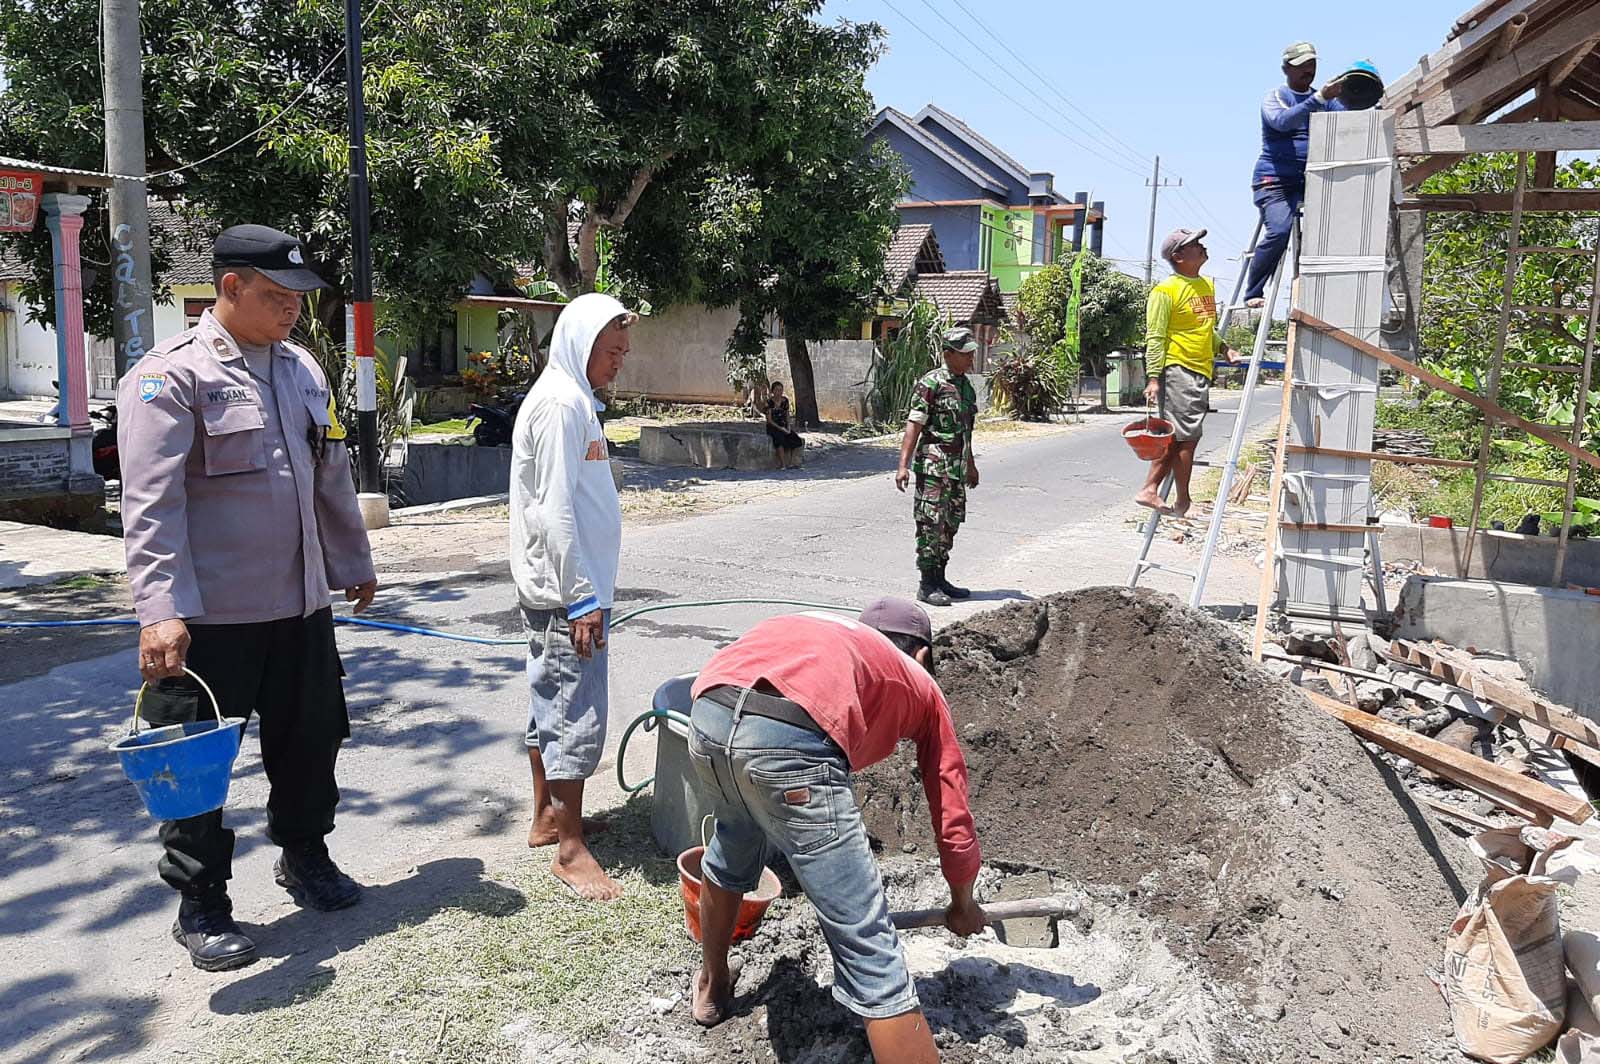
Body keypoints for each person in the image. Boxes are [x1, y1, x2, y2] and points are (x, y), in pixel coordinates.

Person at [119, 223, 378, 972]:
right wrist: (159, 611)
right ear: (230, 287)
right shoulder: (171, 377)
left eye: (298, 296)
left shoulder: (302, 370)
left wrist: (352, 560)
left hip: (300, 607)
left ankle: (306, 856)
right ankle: (202, 904)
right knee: (194, 767)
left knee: (311, 741)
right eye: (275, 294)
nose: (292, 308)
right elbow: (152, 504)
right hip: (209, 621)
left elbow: (330, 473)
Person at [686, 598, 986, 1063]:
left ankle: (712, 987)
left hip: (709, 715)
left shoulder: (836, 638)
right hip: (788, 736)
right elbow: (951, 805)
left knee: (735, 839)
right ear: (922, 654)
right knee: (869, 946)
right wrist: (963, 905)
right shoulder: (919, 680)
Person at [510, 292, 634, 901]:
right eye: (610, 351)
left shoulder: (575, 400)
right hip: (568, 593)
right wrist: (582, 597)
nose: (618, 361)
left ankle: (547, 818)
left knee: (551, 706)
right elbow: (554, 510)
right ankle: (570, 850)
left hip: (572, 586)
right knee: (573, 714)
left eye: (622, 352)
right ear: (581, 345)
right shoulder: (561, 404)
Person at [1137, 228, 1241, 518]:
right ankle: (1181, 499)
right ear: (1179, 256)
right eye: (1194, 243)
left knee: (1179, 436)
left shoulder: (1206, 285)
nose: (1202, 246)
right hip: (1178, 368)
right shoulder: (1165, 292)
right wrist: (1154, 378)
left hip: (1200, 370)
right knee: (1186, 438)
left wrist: (1224, 349)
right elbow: (1155, 337)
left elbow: (1205, 330)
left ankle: (1152, 489)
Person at [1242, 41, 1347, 308]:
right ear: (1286, 69)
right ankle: (1253, 291)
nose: (1308, 71)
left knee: (1339, 225)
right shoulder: (1276, 97)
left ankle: (1328, 289)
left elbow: (1349, 119)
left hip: (1311, 179)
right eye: (1301, 66)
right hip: (1274, 181)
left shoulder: (1326, 102)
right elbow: (1283, 121)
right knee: (1279, 231)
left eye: (1312, 65)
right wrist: (1320, 98)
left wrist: (1358, 92)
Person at [895, 327, 979, 608]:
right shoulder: (931, 383)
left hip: (956, 469)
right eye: (965, 354)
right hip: (933, 467)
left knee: (950, 523)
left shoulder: (966, 387)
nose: (970, 358)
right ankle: (927, 583)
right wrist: (903, 466)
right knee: (930, 524)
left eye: (971, 353)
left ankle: (941, 578)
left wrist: (971, 465)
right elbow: (914, 425)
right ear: (948, 354)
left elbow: (966, 432)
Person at [763, 381, 804, 469]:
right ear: (772, 391)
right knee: (779, 439)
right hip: (773, 426)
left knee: (794, 438)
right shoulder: (769, 402)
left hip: (783, 425)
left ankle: (791, 462)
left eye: (781, 390)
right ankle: (783, 464)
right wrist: (781, 429)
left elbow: (787, 415)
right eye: (777, 390)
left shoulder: (785, 401)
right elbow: (769, 420)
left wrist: (788, 426)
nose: (779, 392)